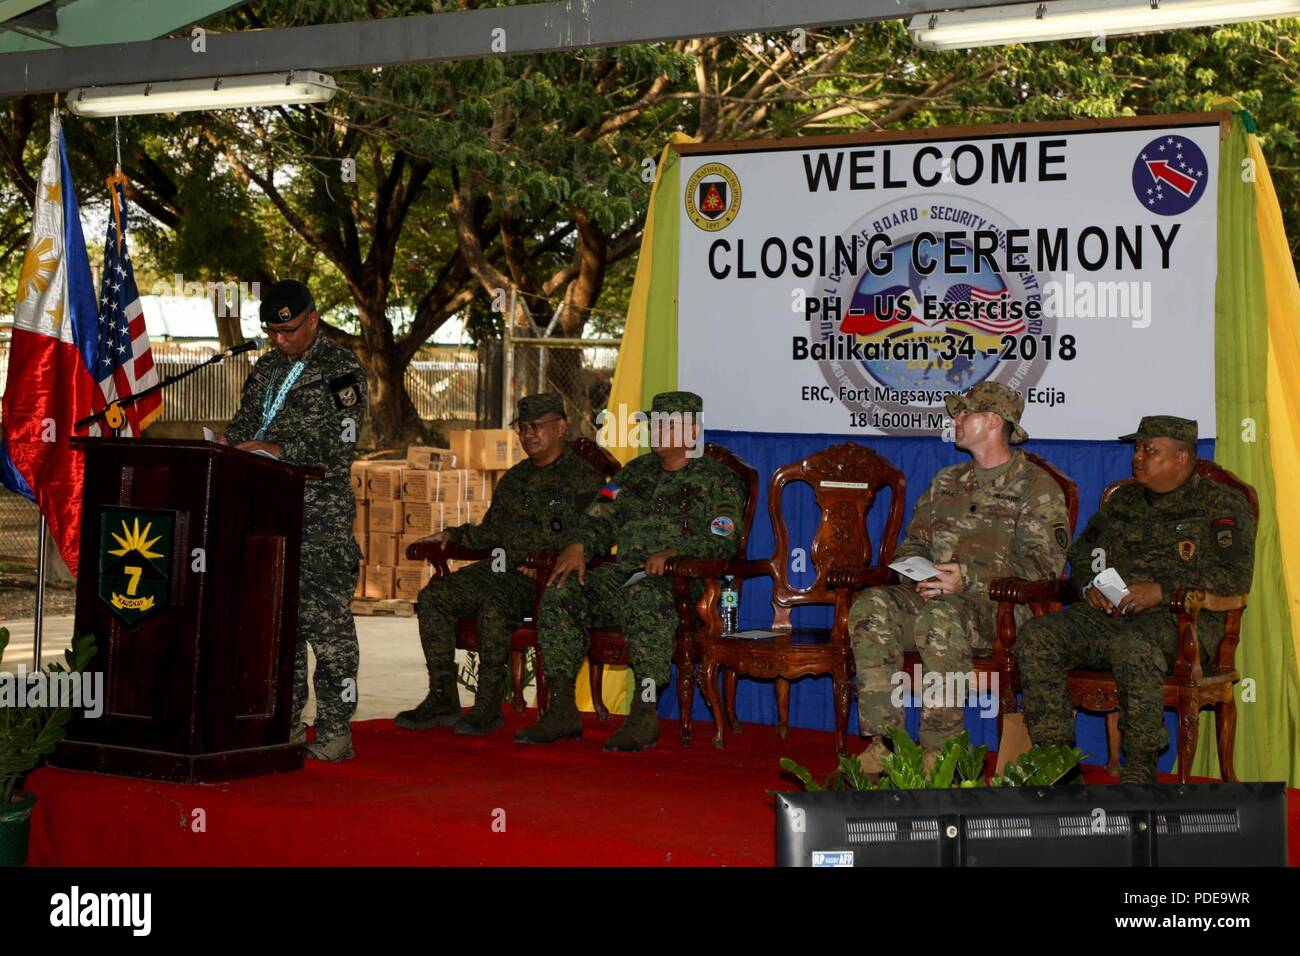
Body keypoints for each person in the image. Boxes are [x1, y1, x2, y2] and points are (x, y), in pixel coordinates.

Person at [1017, 416, 1256, 784]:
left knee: (1135, 645)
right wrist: (1090, 588)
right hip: (1112, 615)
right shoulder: (1122, 502)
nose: (1138, 457)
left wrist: (1162, 588)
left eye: (1149, 449)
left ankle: (1141, 764)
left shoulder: (1220, 503)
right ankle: (1057, 762)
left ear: (1181, 457)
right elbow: (1084, 555)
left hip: (1183, 624)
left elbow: (1234, 578)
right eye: (1137, 448)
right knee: (1038, 636)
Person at [848, 382, 1069, 772]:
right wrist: (921, 574)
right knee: (871, 604)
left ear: (995, 421)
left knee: (941, 618)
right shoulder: (946, 481)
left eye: (967, 413)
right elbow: (912, 544)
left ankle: (940, 750)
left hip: (999, 611)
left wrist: (967, 579)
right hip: (936, 597)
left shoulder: (1036, 486)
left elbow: (1042, 570)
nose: (957, 419)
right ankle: (885, 742)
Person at [515, 391, 745, 752]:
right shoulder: (633, 473)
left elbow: (724, 538)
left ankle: (644, 712)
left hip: (680, 585)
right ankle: (561, 708)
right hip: (623, 575)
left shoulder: (718, 480)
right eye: (655, 422)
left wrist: (676, 553)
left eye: (668, 424)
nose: (657, 430)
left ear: (691, 431)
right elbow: (599, 514)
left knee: (645, 593)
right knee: (562, 588)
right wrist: (578, 545)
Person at [396, 393, 603, 735]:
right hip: (499, 568)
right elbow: (490, 532)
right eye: (522, 427)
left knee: (494, 604)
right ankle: (442, 695)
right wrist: (451, 535)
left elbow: (591, 537)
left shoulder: (583, 478)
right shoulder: (514, 478)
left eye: (536, 426)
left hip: (542, 579)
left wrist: (547, 561)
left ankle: (488, 705)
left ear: (561, 427)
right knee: (435, 596)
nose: (528, 434)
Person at [222, 279, 367, 761]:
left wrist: (276, 450)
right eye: (272, 331)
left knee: (326, 630)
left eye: (288, 329)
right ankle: (280, 725)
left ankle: (334, 731)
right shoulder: (266, 367)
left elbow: (342, 444)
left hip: (317, 518)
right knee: (275, 628)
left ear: (314, 317)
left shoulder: (341, 369)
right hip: (266, 514)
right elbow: (246, 424)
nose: (280, 339)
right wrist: (229, 444)